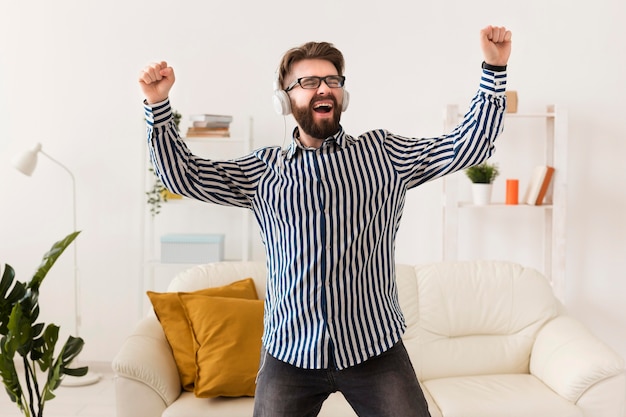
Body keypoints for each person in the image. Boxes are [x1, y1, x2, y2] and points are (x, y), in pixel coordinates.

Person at [139, 25, 512, 417]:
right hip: (290, 353)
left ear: (342, 94)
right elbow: (183, 175)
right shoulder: (263, 171)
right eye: (308, 81)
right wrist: (157, 104)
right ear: (284, 99)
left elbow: (468, 145)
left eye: (332, 80)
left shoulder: (383, 155)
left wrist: (494, 69)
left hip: (373, 348)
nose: (323, 88)